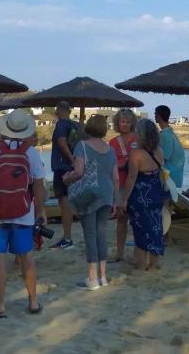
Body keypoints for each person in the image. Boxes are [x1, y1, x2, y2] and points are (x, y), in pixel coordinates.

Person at [0, 109, 47, 318]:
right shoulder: (31, 152)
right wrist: (41, 209)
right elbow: (38, 185)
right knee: (26, 257)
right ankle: (33, 302)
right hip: (24, 212)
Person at [63, 115, 117, 290]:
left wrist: (67, 179)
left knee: (90, 235)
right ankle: (103, 276)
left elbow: (79, 171)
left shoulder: (82, 146)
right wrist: (115, 199)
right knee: (102, 234)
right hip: (107, 194)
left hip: (89, 194)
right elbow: (115, 177)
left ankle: (92, 278)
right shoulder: (110, 150)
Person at [121, 118, 165, 271]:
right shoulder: (159, 151)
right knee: (155, 228)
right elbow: (160, 173)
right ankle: (153, 264)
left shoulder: (136, 153)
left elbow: (132, 177)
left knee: (140, 229)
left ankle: (141, 264)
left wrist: (124, 199)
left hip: (140, 195)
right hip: (156, 192)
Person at [108, 108, 137, 263]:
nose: (125, 124)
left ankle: (137, 253)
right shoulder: (113, 142)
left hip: (135, 183)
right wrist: (121, 164)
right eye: (122, 121)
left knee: (137, 220)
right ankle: (119, 252)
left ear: (132, 123)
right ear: (117, 123)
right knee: (121, 219)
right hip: (119, 184)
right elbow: (109, 164)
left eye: (128, 122)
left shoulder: (138, 139)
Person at [50, 101, 75, 249]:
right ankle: (67, 237)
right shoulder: (73, 125)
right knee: (67, 202)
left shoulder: (61, 125)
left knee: (64, 203)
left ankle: (67, 238)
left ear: (58, 110)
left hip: (62, 167)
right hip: (70, 168)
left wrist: (71, 159)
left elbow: (61, 142)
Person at [155, 105, 185, 188]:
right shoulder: (169, 133)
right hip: (175, 177)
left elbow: (164, 156)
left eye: (155, 114)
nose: (154, 116)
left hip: (170, 178)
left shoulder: (165, 135)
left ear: (159, 116)